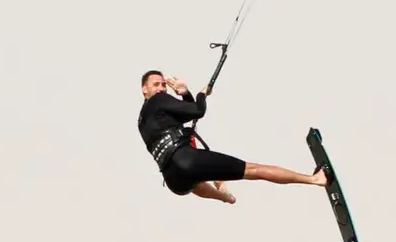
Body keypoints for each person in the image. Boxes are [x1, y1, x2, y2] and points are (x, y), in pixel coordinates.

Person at [136, 71, 327, 203]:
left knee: (196, 185)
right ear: (144, 89)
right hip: (188, 160)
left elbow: (187, 114)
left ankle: (225, 197)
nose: (162, 89)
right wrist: (198, 94)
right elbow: (197, 111)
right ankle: (314, 180)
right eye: (156, 85)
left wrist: (185, 95)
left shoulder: (142, 120)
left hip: (174, 180)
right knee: (254, 170)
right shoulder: (159, 101)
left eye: (163, 85)